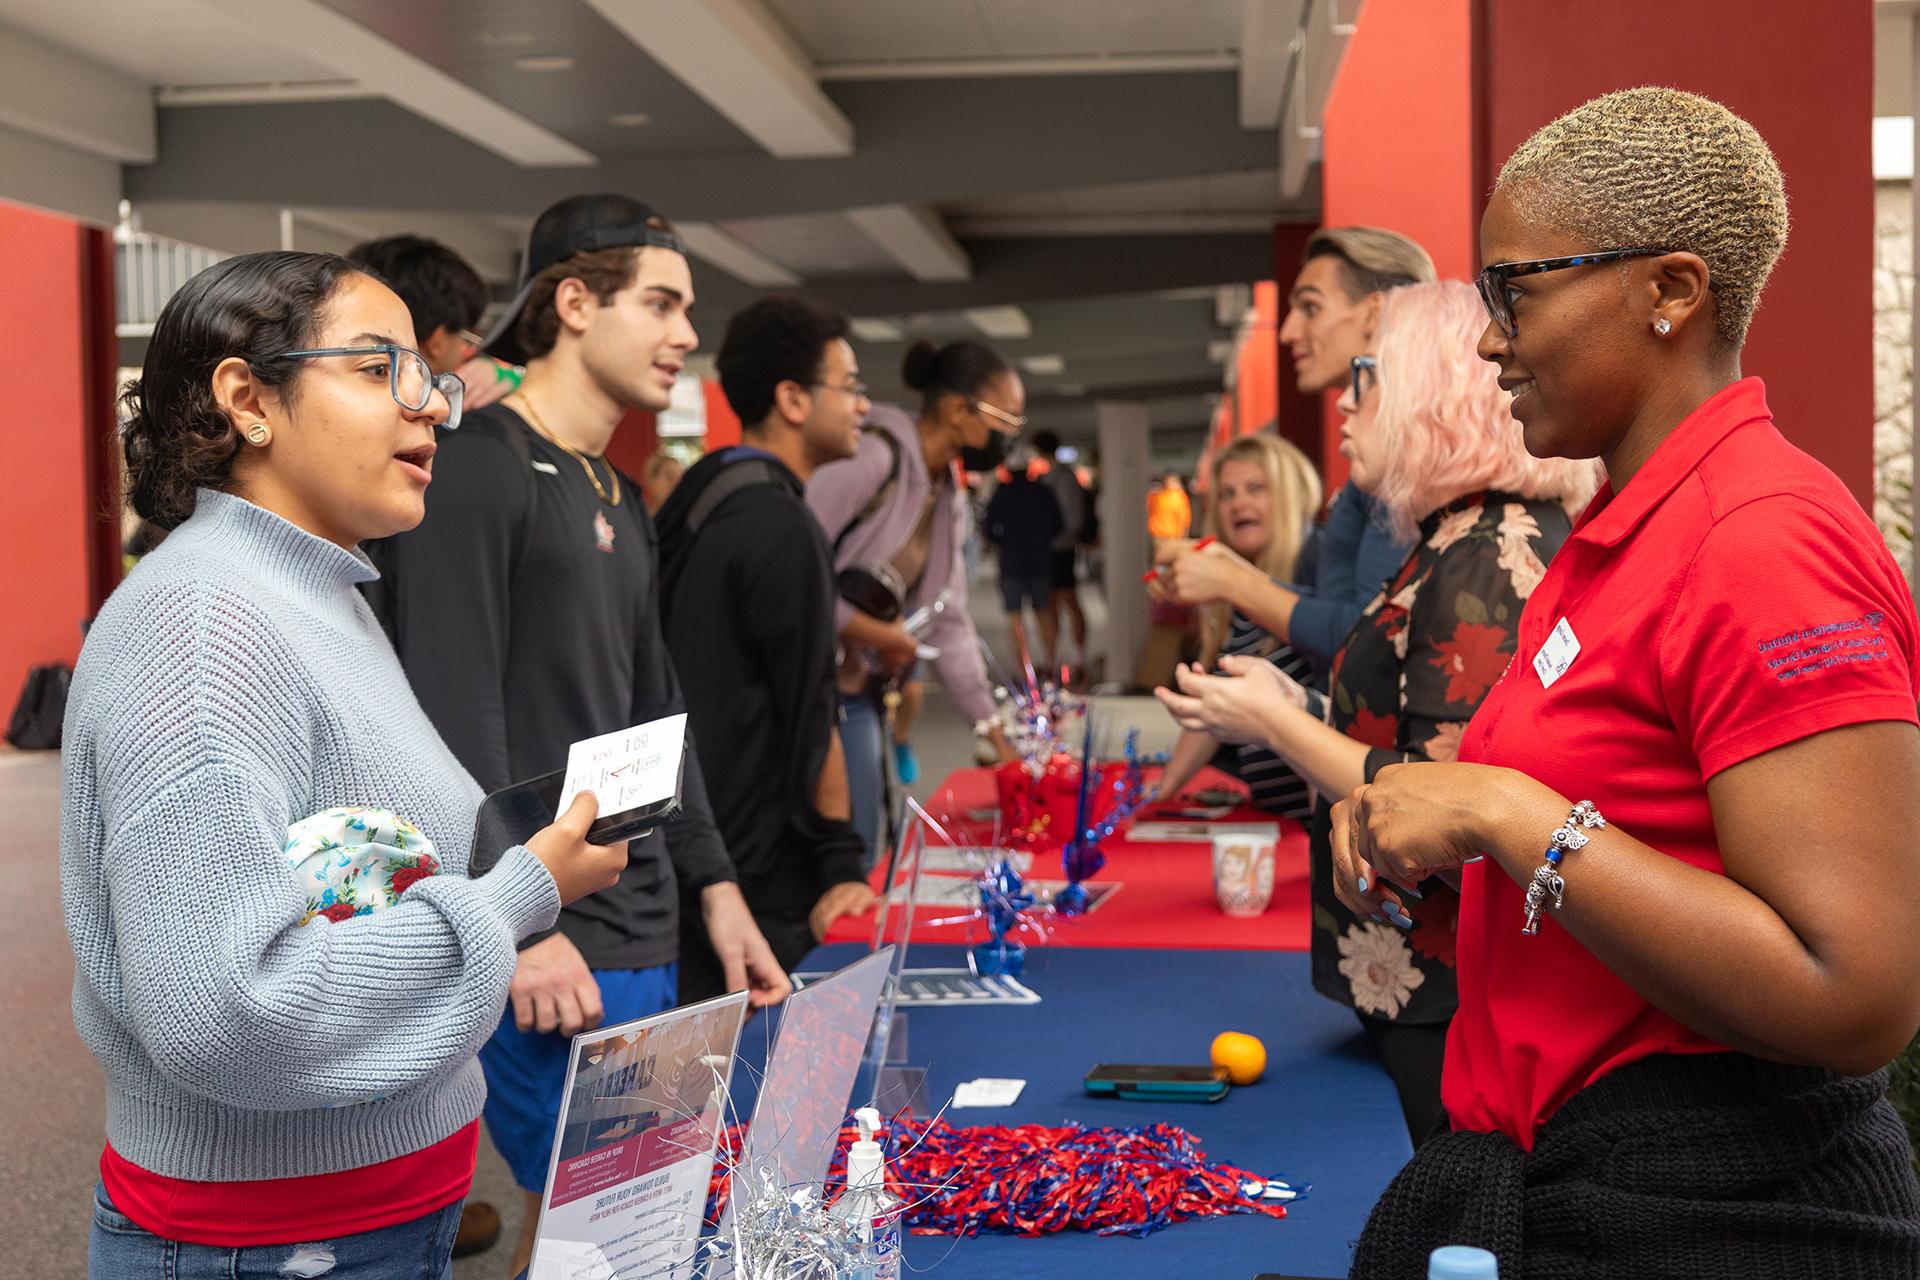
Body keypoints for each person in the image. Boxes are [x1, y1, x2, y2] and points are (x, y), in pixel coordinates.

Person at [1338, 90, 1920, 1276]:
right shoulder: (1621, 534)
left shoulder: (1762, 538)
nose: (1491, 339)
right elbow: (1645, 822)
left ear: (1670, 290)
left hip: (1716, 1214)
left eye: (1517, 291)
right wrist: (1451, 825)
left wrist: (1508, 813)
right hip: (1590, 1183)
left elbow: (1857, 992)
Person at [64, 250, 627, 1277]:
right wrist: (515, 896)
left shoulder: (320, 595)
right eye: (376, 372)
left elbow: (364, 866)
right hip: (267, 1242)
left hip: (363, 1221)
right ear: (250, 400)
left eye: (427, 379)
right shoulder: (205, 625)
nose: (430, 413)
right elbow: (223, 1008)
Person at [366, 194, 789, 1277]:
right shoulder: (481, 466)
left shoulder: (616, 488)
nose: (687, 334)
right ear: (570, 302)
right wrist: (517, 919)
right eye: (661, 303)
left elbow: (658, 708)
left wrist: (717, 883)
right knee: (603, 1234)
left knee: (616, 1240)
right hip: (547, 931)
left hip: (640, 925)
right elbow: (450, 706)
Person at [1157, 280, 1598, 1145]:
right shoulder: (1452, 539)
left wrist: (1277, 725)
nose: (1349, 409)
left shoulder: (1484, 553)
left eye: (1372, 378)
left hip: (1442, 982)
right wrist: (1299, 703)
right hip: (1415, 972)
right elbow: (1419, 733)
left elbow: (1439, 802)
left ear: (1434, 398)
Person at [655, 294, 878, 1000]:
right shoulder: (782, 525)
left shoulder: (700, 496)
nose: (862, 407)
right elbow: (812, 714)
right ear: (792, 399)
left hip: (685, 848)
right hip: (760, 879)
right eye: (850, 387)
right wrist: (843, 864)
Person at [1153, 227, 1436, 675]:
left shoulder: (1405, 449)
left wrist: (1233, 581)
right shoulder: (1380, 449)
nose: (1288, 331)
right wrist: (1231, 570)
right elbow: (1344, 612)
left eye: (1310, 307)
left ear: (1374, 313)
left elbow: (1366, 637)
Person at [809, 339, 1020, 867]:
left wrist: (997, 736)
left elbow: (947, 619)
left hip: (855, 692)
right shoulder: (872, 458)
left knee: (865, 844)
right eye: (1005, 420)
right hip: (798, 691)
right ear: (957, 410)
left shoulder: (945, 492)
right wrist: (877, 633)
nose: (1010, 437)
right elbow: (791, 577)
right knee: (825, 854)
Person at [1151, 433, 1322, 819]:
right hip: (1271, 819)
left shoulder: (1315, 568)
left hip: (1315, 824)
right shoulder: (1232, 595)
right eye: (1226, 494)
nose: (1238, 503)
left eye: (1255, 488)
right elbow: (1216, 711)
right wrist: (1161, 791)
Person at [347, 234, 518, 413]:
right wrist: (512, 378)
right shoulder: (449, 415)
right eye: (467, 340)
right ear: (437, 340)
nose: (469, 353)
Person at [983, 448, 1066, 668]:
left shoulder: (1002, 493)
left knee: (1014, 617)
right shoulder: (1043, 492)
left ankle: (1023, 670)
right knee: (1043, 612)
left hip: (1011, 562)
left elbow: (989, 529)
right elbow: (1058, 525)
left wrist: (1005, 542)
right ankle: (1050, 664)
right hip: (1039, 560)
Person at [1031, 429, 1091, 671]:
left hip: (1061, 549)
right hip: (1053, 549)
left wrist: (1054, 537)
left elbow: (1072, 517)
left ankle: (1077, 656)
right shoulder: (1054, 476)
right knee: (1051, 603)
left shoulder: (1061, 477)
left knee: (1067, 600)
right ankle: (1053, 657)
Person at [1145, 471, 1192, 539]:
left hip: (1170, 535)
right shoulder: (1155, 495)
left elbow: (1184, 517)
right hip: (1158, 533)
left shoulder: (1178, 496)